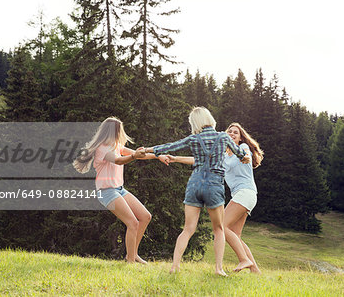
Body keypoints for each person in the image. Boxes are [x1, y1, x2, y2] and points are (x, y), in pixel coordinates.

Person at [139, 107, 249, 275]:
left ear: (195, 122)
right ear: (210, 118)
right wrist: (244, 156)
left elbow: (170, 146)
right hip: (214, 185)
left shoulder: (194, 138)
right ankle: (218, 269)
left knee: (188, 229)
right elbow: (240, 153)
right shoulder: (223, 136)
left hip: (195, 183)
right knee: (219, 229)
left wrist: (147, 149)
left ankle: (175, 266)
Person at [166, 122, 263, 273]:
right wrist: (175, 158)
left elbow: (246, 156)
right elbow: (199, 161)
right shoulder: (223, 156)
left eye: (235, 132)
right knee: (235, 234)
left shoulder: (243, 148)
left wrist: (246, 158)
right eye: (229, 131)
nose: (231, 134)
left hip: (246, 192)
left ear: (240, 138)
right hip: (244, 195)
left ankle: (244, 260)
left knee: (222, 226)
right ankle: (255, 270)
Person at [73, 117, 167, 264]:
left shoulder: (117, 145)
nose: (121, 133)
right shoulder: (102, 149)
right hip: (106, 192)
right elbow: (119, 160)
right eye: (119, 130)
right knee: (132, 223)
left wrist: (158, 156)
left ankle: (133, 254)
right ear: (114, 131)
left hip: (119, 189)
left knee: (145, 216)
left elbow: (139, 155)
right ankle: (130, 262)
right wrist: (134, 155)